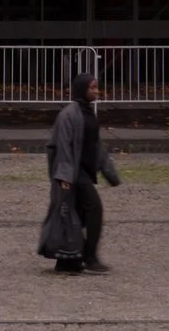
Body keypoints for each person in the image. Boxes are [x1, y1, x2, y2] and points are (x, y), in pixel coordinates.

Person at [44, 70, 118, 274]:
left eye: (96, 87)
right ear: (82, 89)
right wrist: (64, 176)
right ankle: (89, 256)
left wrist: (108, 171)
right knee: (92, 208)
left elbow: (95, 145)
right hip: (74, 174)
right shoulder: (69, 115)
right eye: (92, 87)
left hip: (82, 170)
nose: (96, 91)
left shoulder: (87, 113)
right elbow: (63, 146)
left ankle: (69, 260)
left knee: (74, 215)